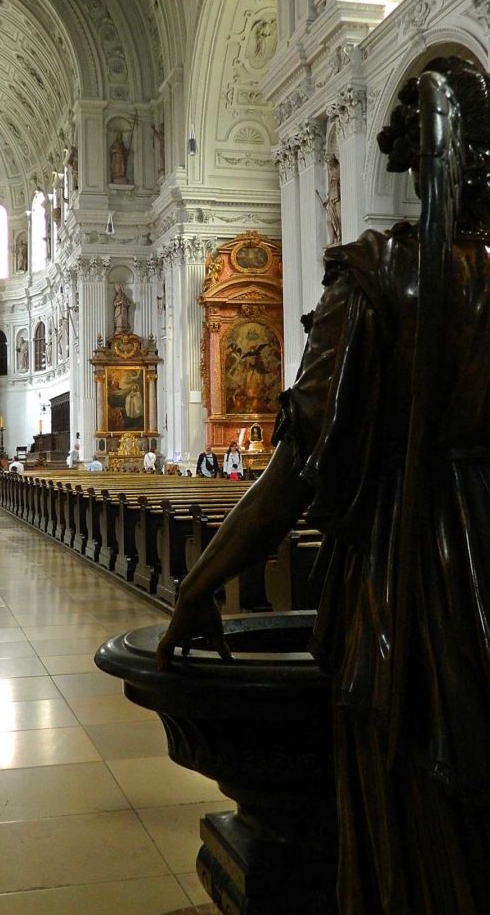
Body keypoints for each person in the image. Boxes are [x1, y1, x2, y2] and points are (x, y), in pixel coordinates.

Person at [157, 59, 490, 914]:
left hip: (416, 575)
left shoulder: (378, 277)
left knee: (412, 798)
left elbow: (298, 468)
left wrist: (200, 582)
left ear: (411, 159)